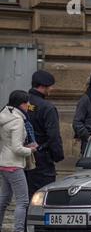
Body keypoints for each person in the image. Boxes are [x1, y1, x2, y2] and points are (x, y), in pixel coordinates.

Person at [0, 90, 38, 232]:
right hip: (14, 165)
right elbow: (16, 148)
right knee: (22, 200)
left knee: (4, 200)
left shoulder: (4, 114)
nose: (29, 105)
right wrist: (30, 150)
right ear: (21, 104)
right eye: (26, 103)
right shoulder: (17, 120)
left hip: (3, 162)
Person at [27, 70, 64, 201]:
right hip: (42, 158)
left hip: (22, 156)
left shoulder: (22, 103)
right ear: (43, 86)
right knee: (43, 196)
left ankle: (25, 221)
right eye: (51, 86)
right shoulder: (47, 107)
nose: (52, 89)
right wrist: (58, 155)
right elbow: (53, 135)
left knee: (25, 197)